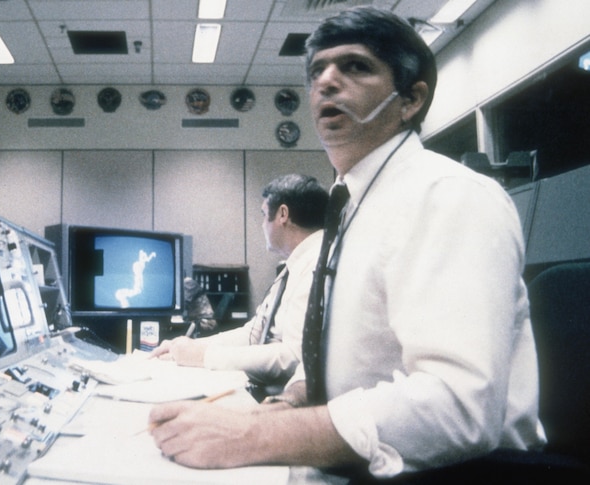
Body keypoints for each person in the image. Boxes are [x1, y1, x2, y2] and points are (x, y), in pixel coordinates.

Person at [148, 6, 546, 481]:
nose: (327, 82)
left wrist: (252, 438)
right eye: (318, 70)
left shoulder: (448, 197)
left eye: (355, 66)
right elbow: (349, 359)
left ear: (411, 99)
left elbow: (460, 406)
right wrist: (290, 401)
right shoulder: (353, 206)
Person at [149, 174, 327, 394]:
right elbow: (254, 333)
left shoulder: (317, 267)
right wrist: (192, 347)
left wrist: (205, 357)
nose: (262, 225)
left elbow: (294, 356)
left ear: (283, 214)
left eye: (264, 215)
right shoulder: (295, 265)